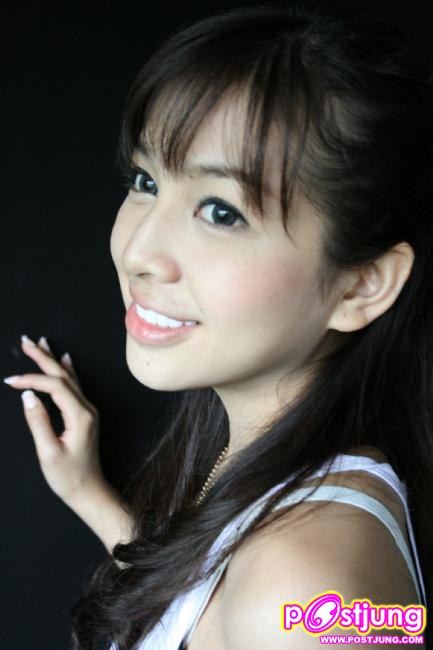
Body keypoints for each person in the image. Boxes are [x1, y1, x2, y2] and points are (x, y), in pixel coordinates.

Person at [4, 1, 432, 648]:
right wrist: (89, 494)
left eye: (220, 212)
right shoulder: (273, 470)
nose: (138, 251)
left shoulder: (304, 590)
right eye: (146, 180)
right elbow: (199, 607)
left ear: (361, 285)